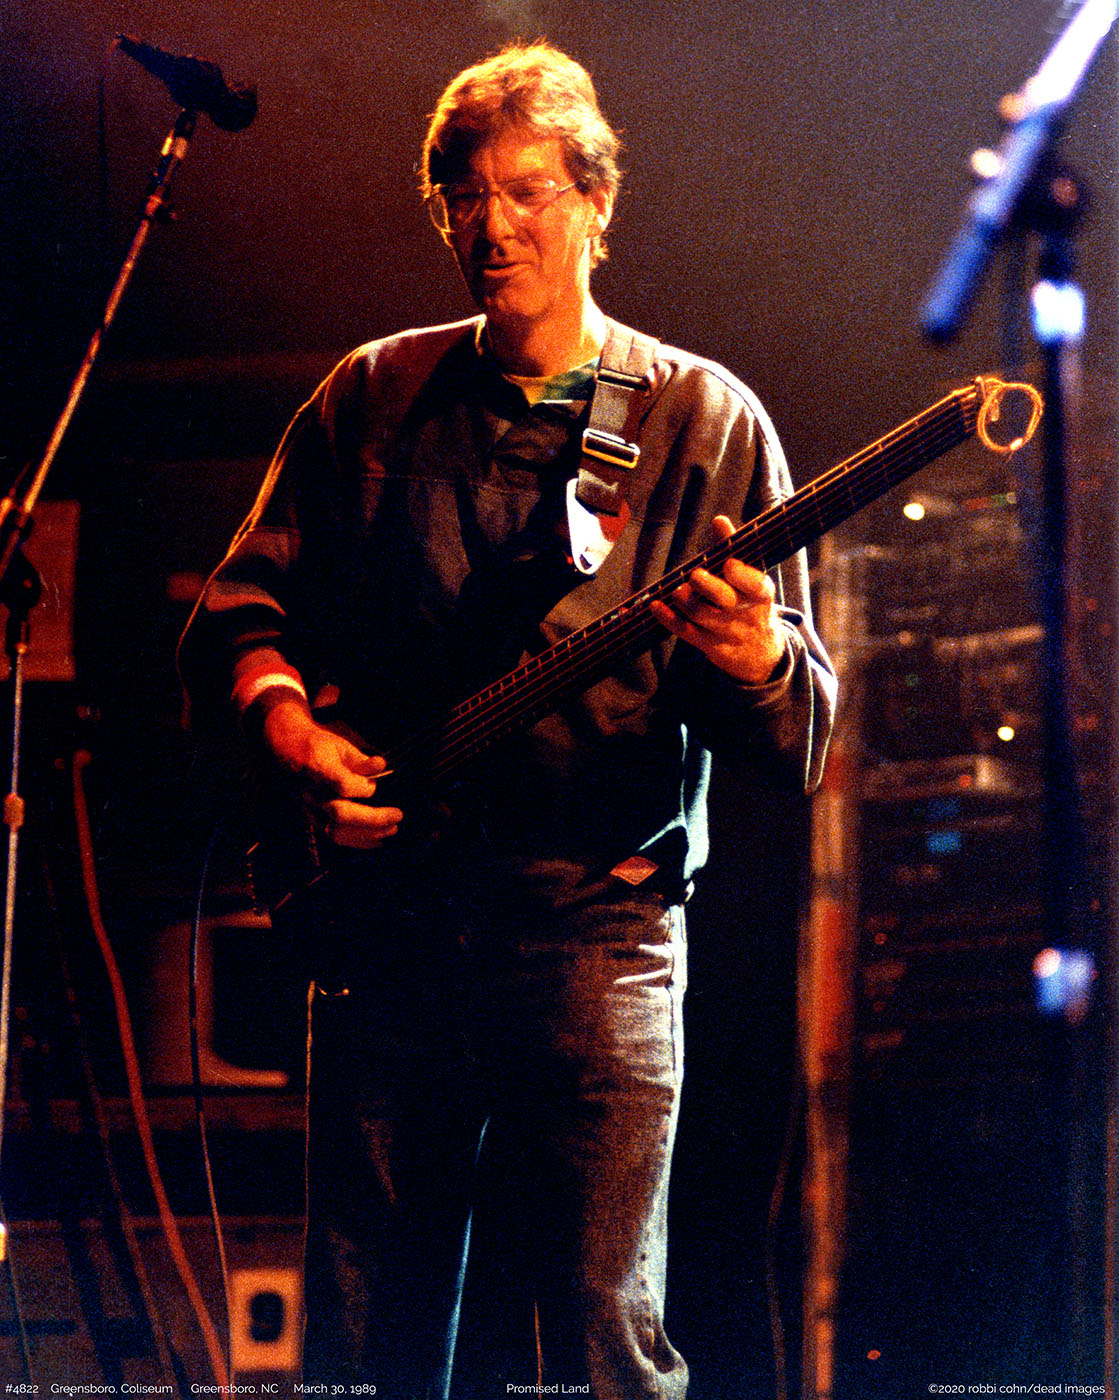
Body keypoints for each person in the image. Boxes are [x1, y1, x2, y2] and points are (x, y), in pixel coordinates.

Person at [179, 40, 835, 1400]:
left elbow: (804, 736)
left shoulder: (703, 421)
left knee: (605, 1335)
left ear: (598, 203)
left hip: (597, 925)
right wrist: (290, 730)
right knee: (365, 1329)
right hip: (394, 922)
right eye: (464, 196)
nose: (494, 227)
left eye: (529, 192)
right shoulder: (370, 397)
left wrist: (758, 654)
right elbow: (239, 616)